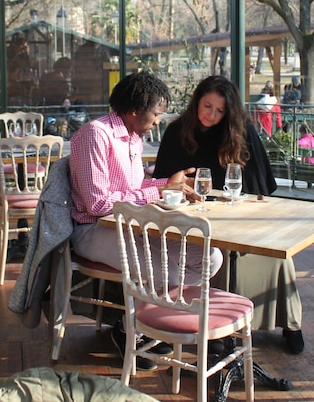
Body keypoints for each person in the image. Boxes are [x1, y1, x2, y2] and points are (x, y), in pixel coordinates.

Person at [69, 71, 223, 370]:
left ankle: (144, 320)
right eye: (155, 114)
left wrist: (167, 183)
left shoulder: (133, 139)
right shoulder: (95, 135)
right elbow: (98, 204)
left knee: (210, 258)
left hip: (131, 227)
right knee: (162, 268)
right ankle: (136, 326)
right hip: (92, 229)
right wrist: (159, 191)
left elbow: (133, 191)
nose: (157, 121)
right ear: (134, 110)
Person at [152, 75, 306, 355]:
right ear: (197, 101)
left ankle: (290, 323)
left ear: (229, 112)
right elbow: (164, 183)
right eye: (207, 106)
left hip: (236, 215)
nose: (211, 115)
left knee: (278, 255)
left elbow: (261, 185)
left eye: (219, 110)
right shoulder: (177, 132)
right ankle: (217, 327)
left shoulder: (241, 131)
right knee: (213, 248)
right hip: (191, 218)